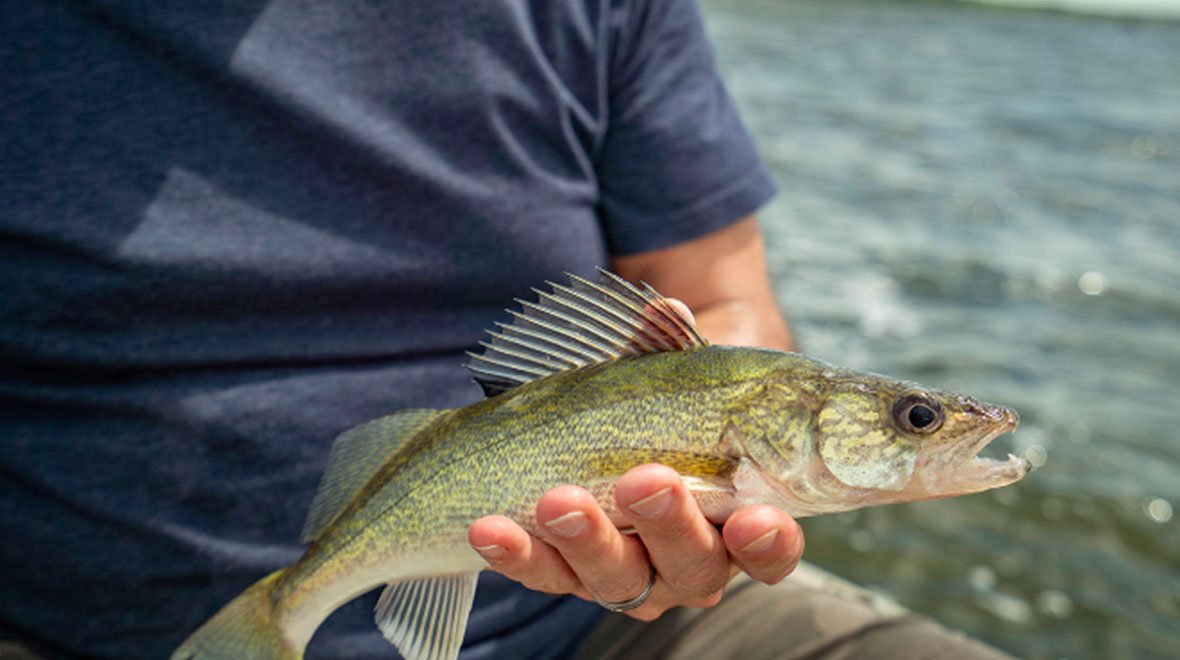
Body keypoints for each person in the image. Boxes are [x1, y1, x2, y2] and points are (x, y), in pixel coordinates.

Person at [0, 1, 1008, 658]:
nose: (929, 426)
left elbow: (716, 287)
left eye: (908, 417)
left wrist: (684, 541)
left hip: (596, 632)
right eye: (914, 418)